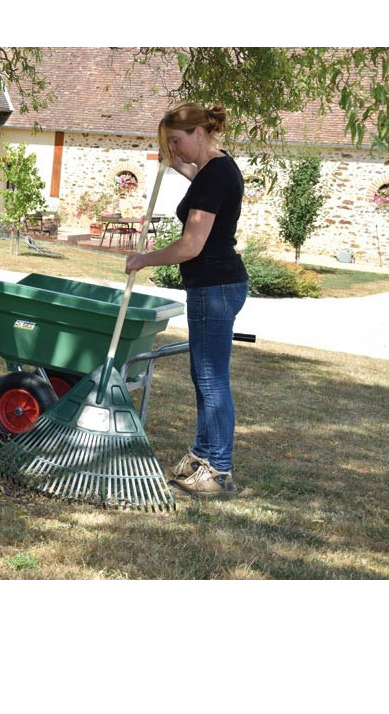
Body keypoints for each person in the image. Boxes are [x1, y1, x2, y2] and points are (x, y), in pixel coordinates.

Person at [126, 103, 248, 497]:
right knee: (204, 376)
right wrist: (176, 163)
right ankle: (202, 457)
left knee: (212, 380)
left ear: (199, 132)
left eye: (177, 141)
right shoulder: (216, 166)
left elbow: (191, 245)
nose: (175, 149)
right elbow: (199, 176)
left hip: (214, 287)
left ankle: (219, 471)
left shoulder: (215, 175)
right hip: (215, 284)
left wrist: (144, 259)